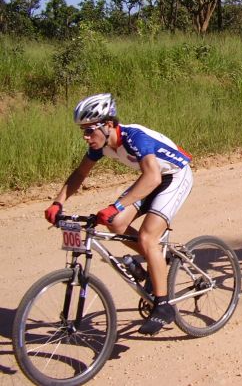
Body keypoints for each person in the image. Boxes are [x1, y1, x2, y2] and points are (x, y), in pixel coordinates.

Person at [44, 93, 193, 335]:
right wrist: (57, 203)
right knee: (115, 223)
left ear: (109, 125)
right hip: (152, 176)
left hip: (174, 176)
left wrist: (117, 206)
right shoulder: (101, 145)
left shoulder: (135, 138)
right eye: (82, 130)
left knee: (147, 237)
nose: (85, 136)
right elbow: (79, 174)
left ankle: (164, 306)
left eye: (90, 130)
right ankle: (157, 262)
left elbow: (154, 177)